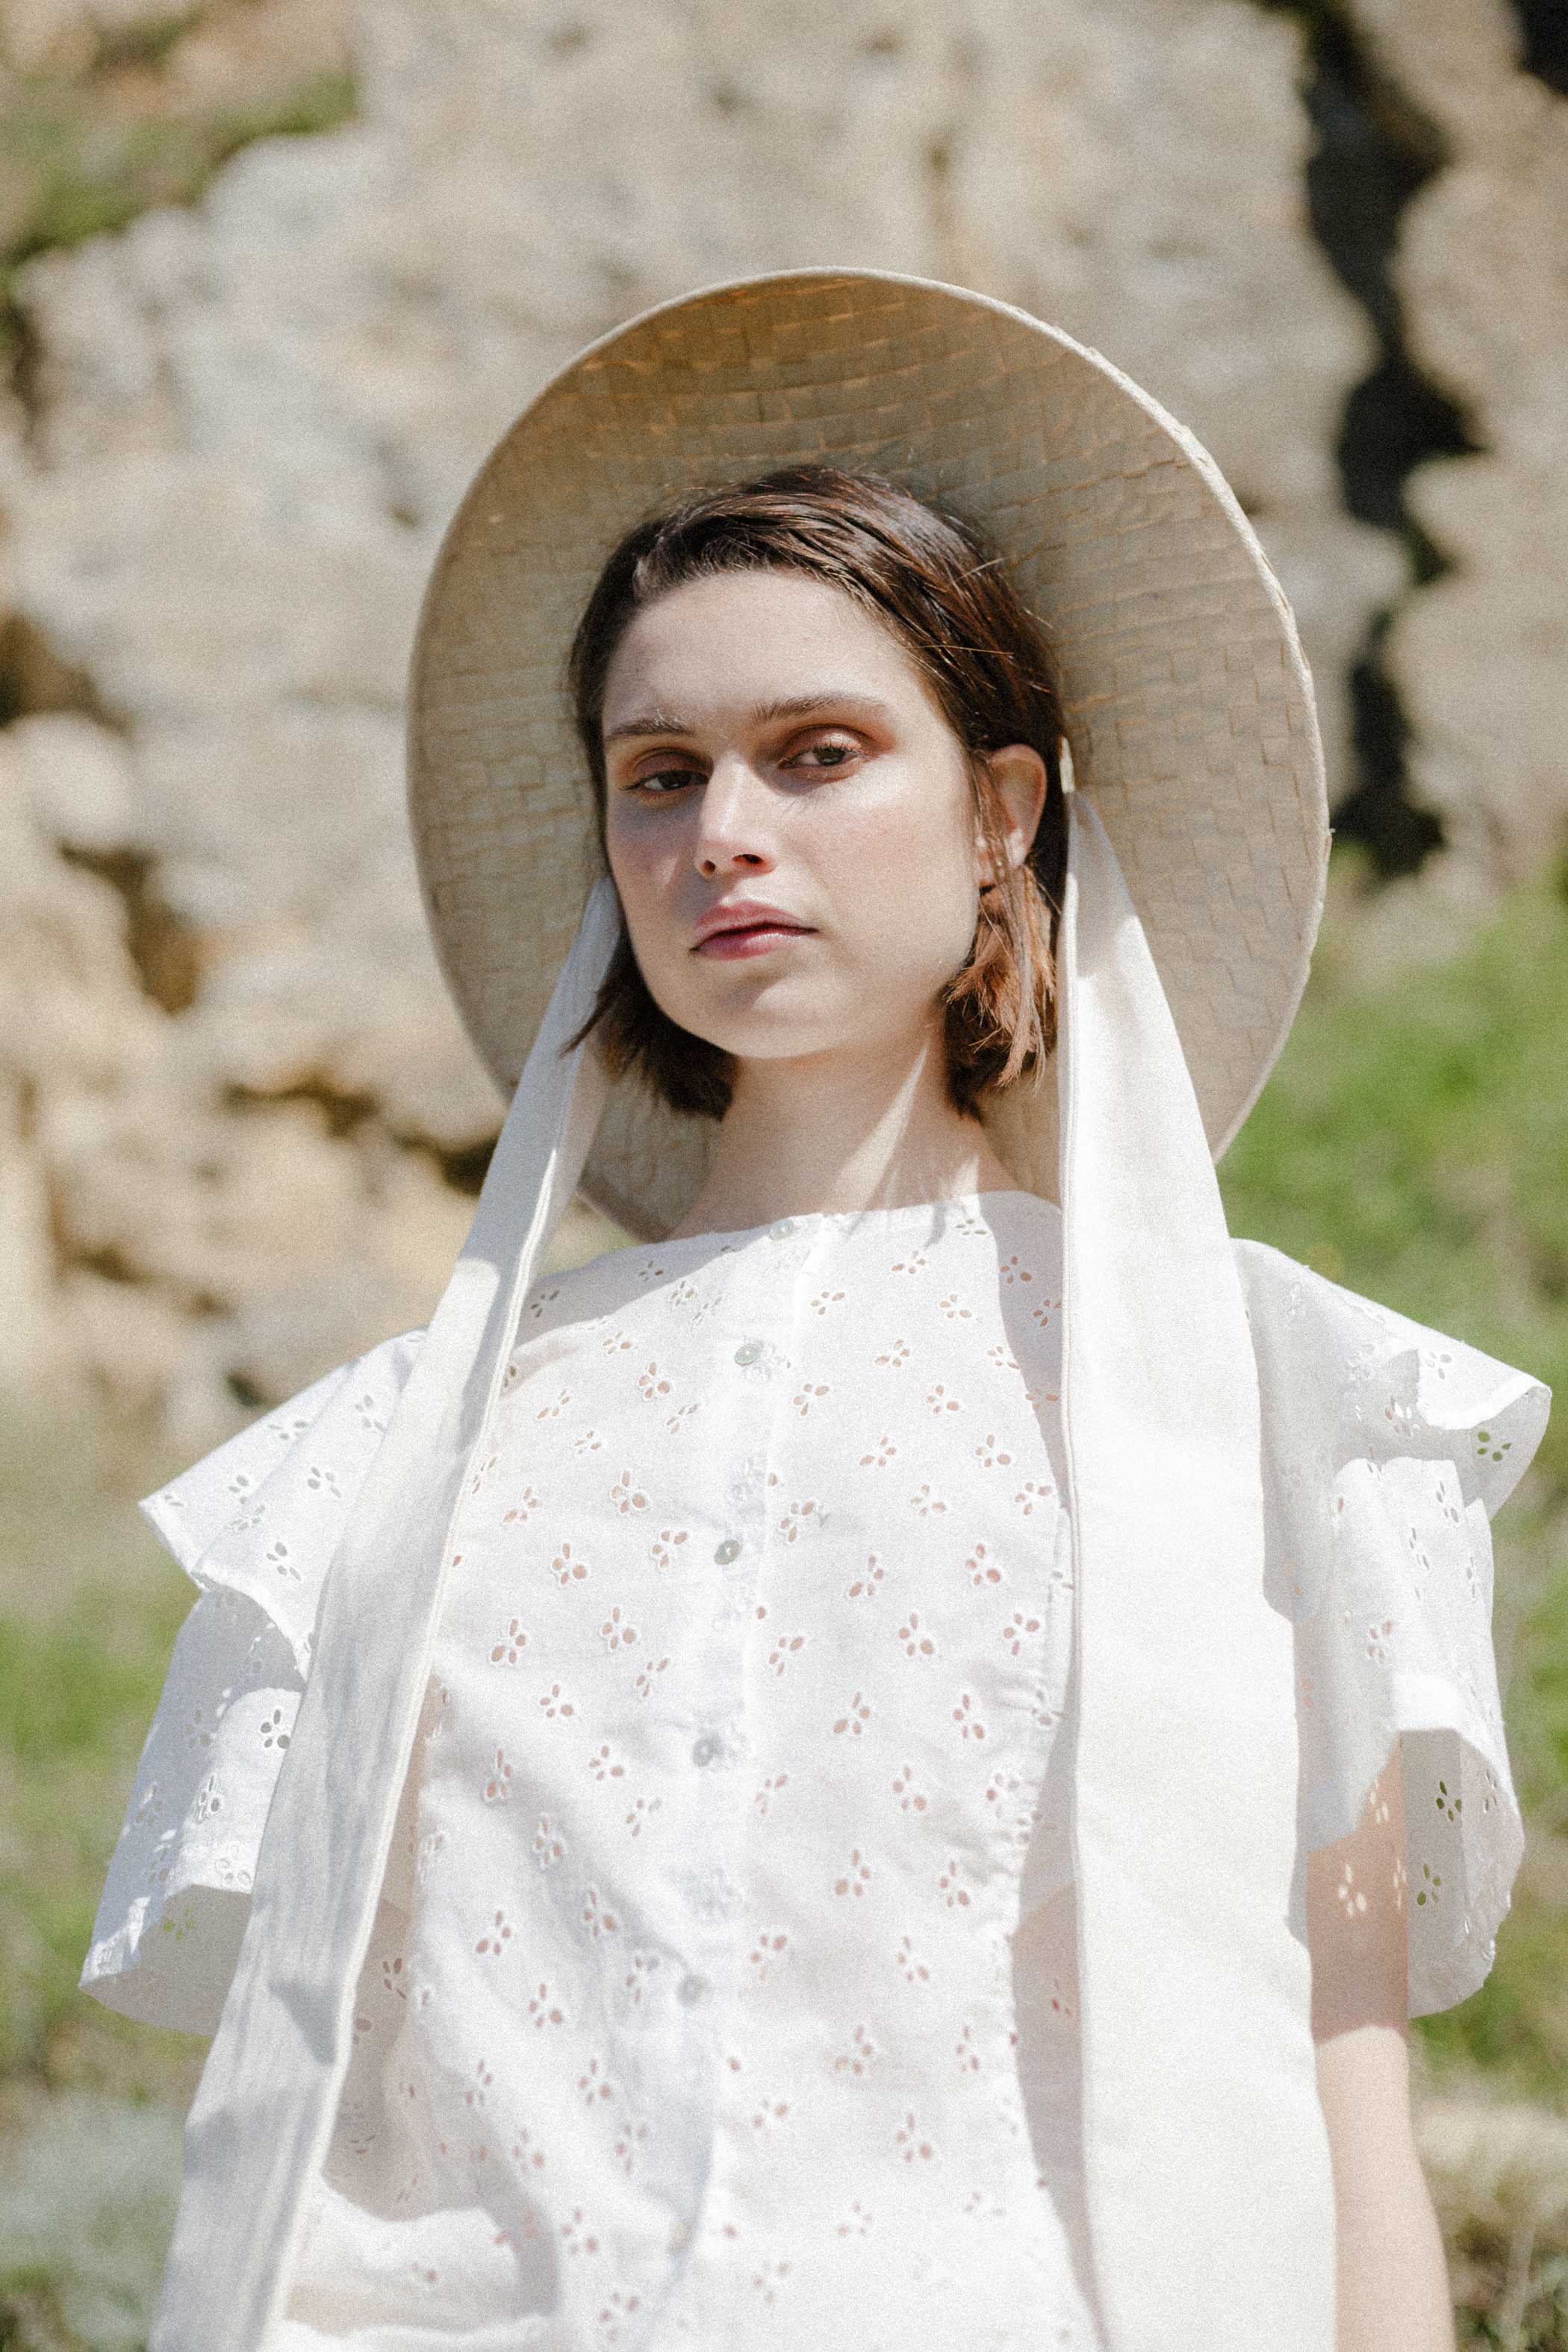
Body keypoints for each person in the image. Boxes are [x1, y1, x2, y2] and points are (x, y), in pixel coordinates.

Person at [81, 271, 1549, 2352]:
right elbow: (320, 2127)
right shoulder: (397, 1449)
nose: (723, 834)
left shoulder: (1261, 1396)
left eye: (818, 751)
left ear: (1000, 815)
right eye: (658, 773)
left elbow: (1339, 2091)